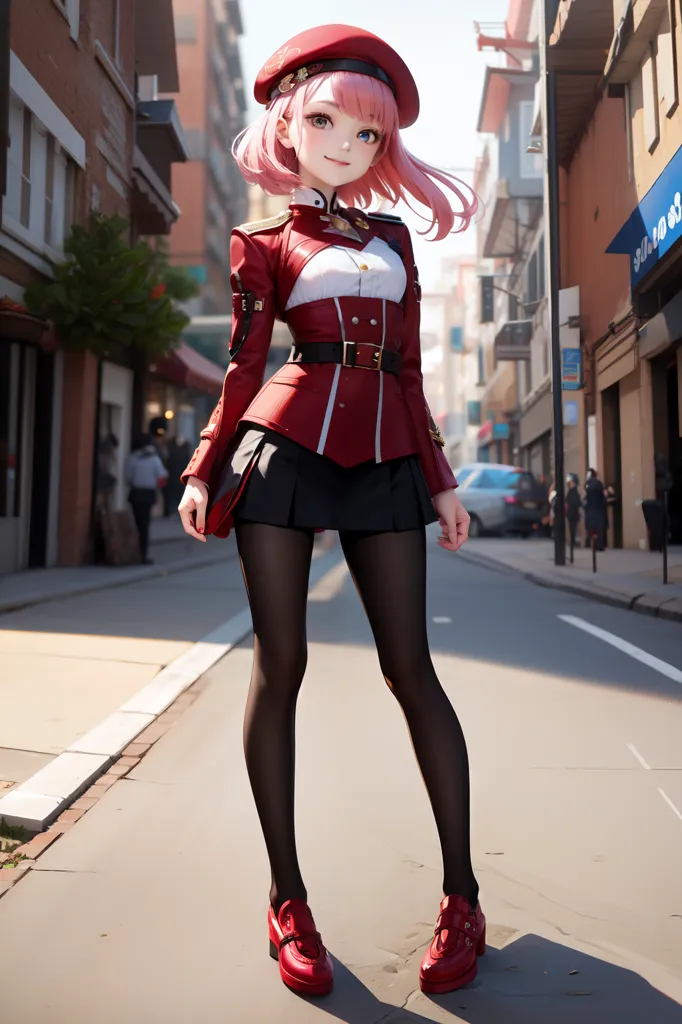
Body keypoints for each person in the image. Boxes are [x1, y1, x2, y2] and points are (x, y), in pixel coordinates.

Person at [178, 25, 483, 999]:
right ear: (287, 124)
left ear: (381, 145)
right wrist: (202, 464)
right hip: (285, 453)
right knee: (282, 666)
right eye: (324, 122)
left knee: (411, 669)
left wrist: (440, 481)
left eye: (365, 132)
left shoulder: (393, 240)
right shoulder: (264, 242)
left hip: (389, 454)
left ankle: (463, 896)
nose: (344, 144)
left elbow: (408, 369)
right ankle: (288, 900)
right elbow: (242, 366)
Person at [125, 434, 168, 564]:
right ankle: (142, 553)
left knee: (136, 522)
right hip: (148, 493)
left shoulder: (132, 458)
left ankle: (133, 551)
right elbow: (162, 475)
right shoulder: (154, 459)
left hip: (135, 492)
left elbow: (128, 476)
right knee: (145, 525)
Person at [584, 468, 606, 551]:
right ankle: (599, 545)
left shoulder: (587, 484)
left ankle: (591, 544)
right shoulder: (599, 484)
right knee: (599, 528)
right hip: (598, 508)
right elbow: (602, 496)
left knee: (591, 527)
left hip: (590, 508)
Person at [565, 473, 582, 557]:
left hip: (573, 513)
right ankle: (573, 541)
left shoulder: (574, 491)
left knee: (573, 528)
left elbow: (575, 502)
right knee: (572, 528)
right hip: (571, 513)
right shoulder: (571, 491)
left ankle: (573, 541)